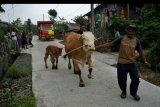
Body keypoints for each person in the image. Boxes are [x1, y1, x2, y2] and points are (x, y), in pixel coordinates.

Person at [95, 24, 151, 101]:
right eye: (129, 30)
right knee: (122, 79)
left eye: (132, 30)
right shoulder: (121, 38)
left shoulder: (136, 41)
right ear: (126, 31)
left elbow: (140, 52)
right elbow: (110, 44)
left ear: (134, 32)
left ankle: (133, 93)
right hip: (122, 63)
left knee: (136, 79)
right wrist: (97, 47)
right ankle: (124, 91)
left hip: (132, 63)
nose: (130, 32)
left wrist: (145, 61)